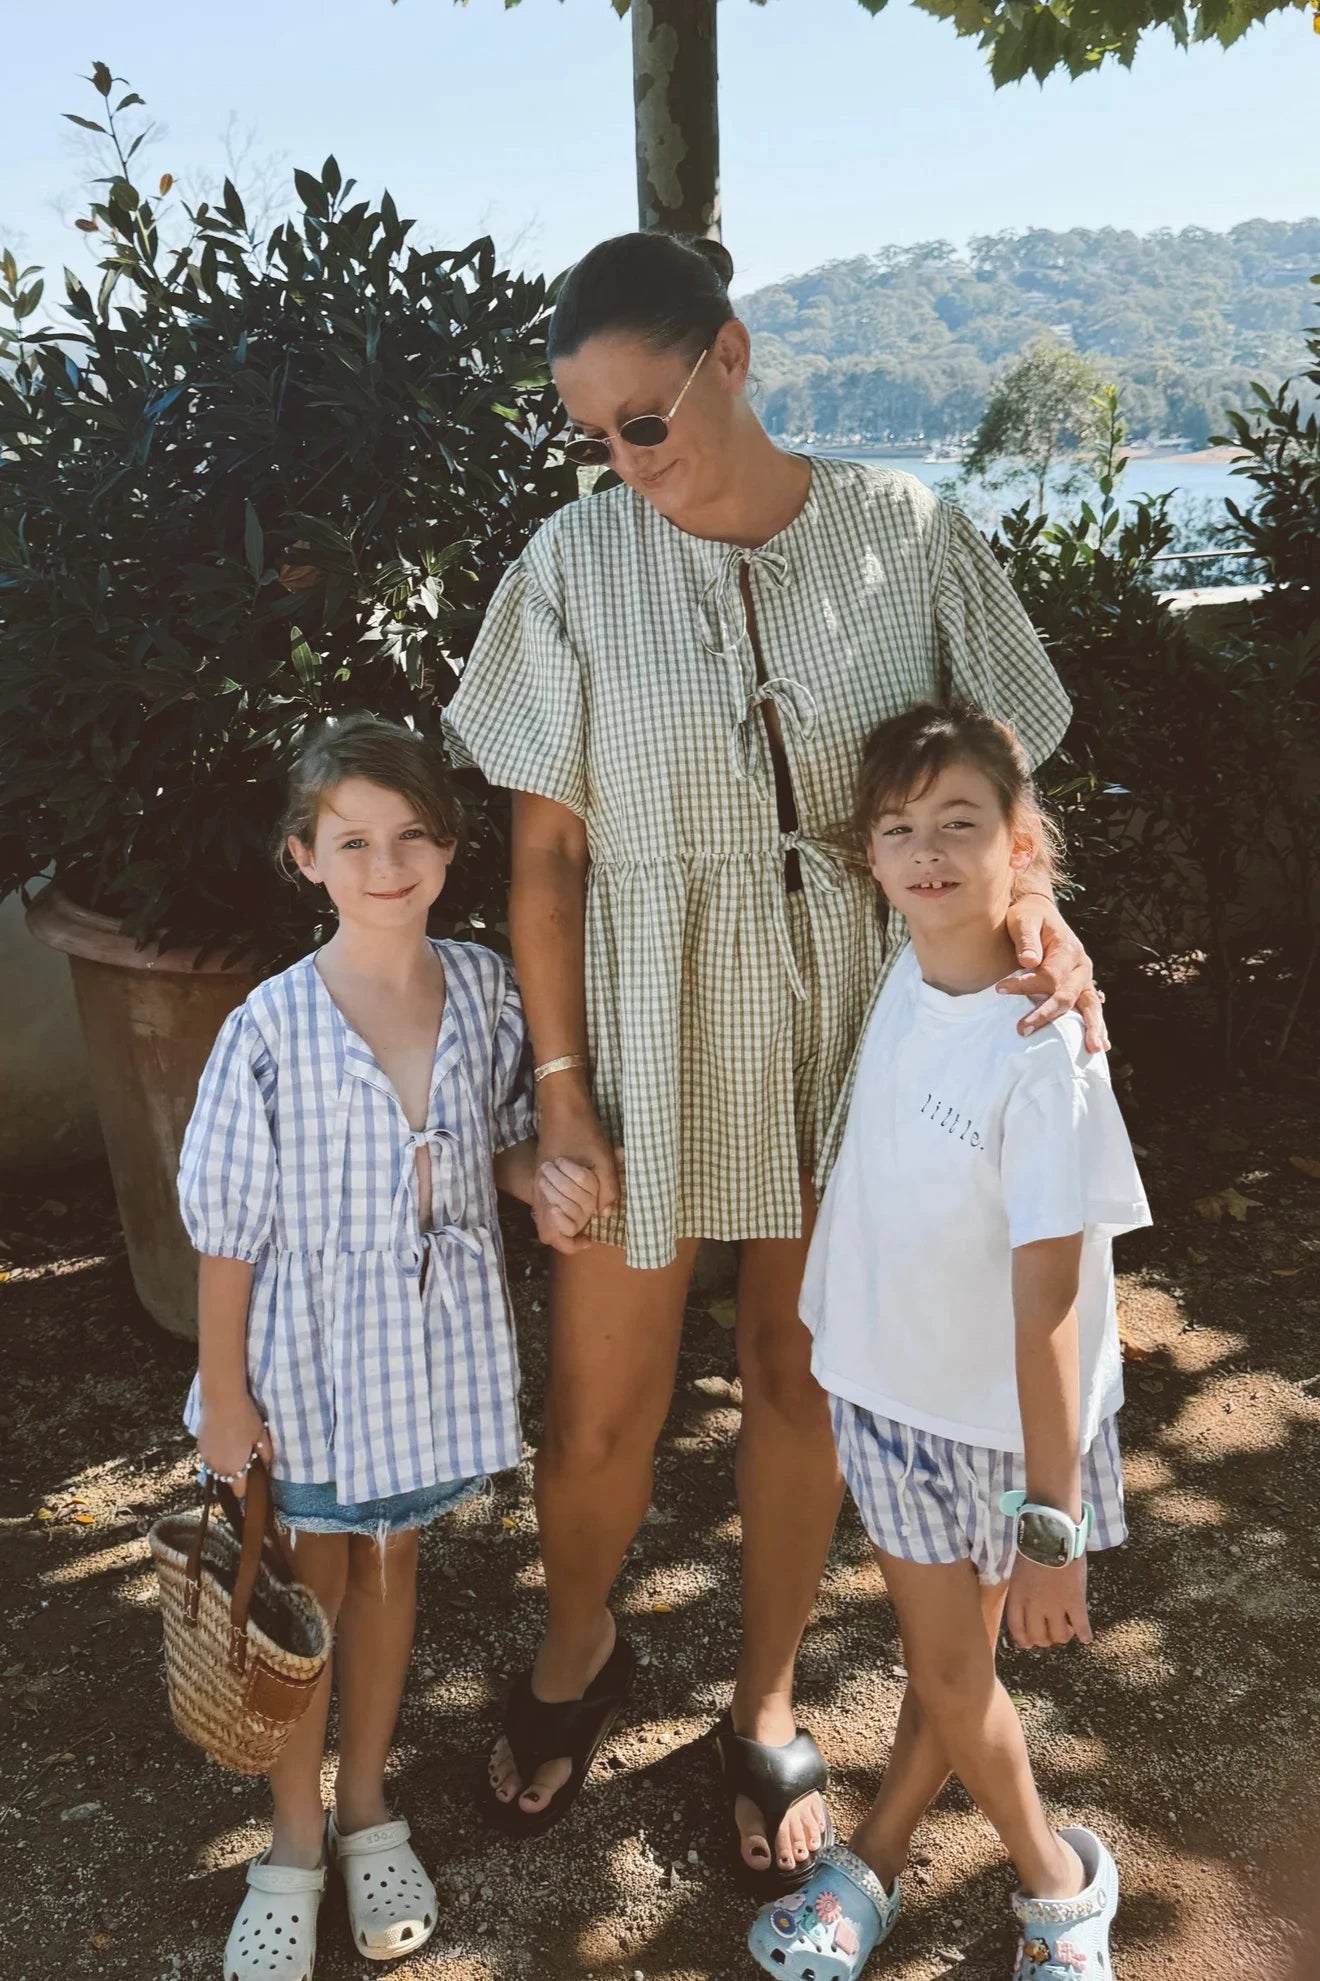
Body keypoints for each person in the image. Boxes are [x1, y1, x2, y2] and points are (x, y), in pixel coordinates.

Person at [442, 230, 1108, 1878]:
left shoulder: (909, 536)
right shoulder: (573, 566)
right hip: (651, 1022)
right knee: (605, 1405)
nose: (620, 461)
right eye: (591, 433)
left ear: (731, 357)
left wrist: (1037, 910)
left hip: (866, 1027)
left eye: (643, 420)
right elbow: (543, 865)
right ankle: (576, 1648)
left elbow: (996, 766)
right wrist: (564, 1089)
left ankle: (761, 1698)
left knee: (807, 1373)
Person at [179, 715, 592, 1981]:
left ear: (452, 848)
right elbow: (229, 1237)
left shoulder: (479, 987)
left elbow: (497, 1142)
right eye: (353, 839)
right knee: (311, 1590)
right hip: (306, 1366)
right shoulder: (269, 1026)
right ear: (305, 856)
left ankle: (367, 1806)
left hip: (425, 1357)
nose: (386, 862)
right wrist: (226, 1395)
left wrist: (542, 1181)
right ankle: (292, 1837)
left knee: (394, 1569)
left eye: (413, 833)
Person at [747, 702, 1150, 1981]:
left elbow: (1050, 1305)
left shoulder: (1045, 1051)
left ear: (1022, 842)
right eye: (897, 829)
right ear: (870, 858)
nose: (925, 852)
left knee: (949, 1664)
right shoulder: (905, 964)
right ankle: (874, 1866)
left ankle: (1058, 1889)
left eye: (959, 825)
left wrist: (1051, 1520)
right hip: (885, 1391)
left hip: (1007, 1432)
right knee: (950, 1663)